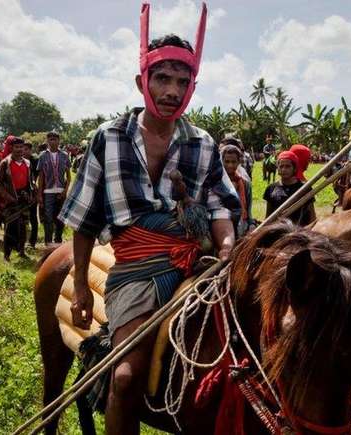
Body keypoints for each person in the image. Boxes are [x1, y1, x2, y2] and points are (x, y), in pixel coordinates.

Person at [60, 6, 239, 432]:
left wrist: (228, 245)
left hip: (201, 265)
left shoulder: (203, 143)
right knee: (125, 378)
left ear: (193, 86)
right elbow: (85, 219)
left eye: (183, 81)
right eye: (163, 79)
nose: (173, 91)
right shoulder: (108, 137)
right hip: (137, 272)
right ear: (143, 82)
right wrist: (83, 285)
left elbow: (219, 205)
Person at [0, 137, 33, 261]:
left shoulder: (27, 163)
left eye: (21, 147)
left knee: (23, 226)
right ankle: (6, 256)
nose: (19, 150)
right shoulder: (5, 163)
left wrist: (30, 194)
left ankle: (22, 251)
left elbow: (29, 182)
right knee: (10, 227)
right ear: (11, 148)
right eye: (16, 147)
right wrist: (9, 197)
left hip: (24, 198)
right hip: (11, 200)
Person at [263, 150, 316, 226]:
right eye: (281, 166)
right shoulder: (271, 189)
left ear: (294, 168)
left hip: (300, 234)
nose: (284, 169)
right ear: (277, 168)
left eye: (288, 166)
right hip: (278, 233)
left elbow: (312, 217)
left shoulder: (304, 189)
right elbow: (268, 217)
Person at [37, 131, 72, 244]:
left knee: (60, 218)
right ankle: (48, 242)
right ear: (47, 141)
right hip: (48, 192)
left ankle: (58, 241)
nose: (53, 141)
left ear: (59, 141)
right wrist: (39, 194)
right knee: (48, 218)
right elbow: (41, 176)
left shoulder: (65, 155)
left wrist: (65, 191)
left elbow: (69, 176)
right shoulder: (43, 156)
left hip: (61, 191)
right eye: (50, 139)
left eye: (55, 139)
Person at [221, 144, 254, 236]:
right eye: (226, 161)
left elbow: (248, 208)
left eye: (233, 162)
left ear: (239, 162)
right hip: (222, 228)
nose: (230, 165)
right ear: (221, 161)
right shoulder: (216, 183)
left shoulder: (245, 183)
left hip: (241, 227)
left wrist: (251, 224)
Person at [25, 142, 40, 248]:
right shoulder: (18, 160)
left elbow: (38, 176)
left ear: (30, 150)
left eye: (26, 149)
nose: (24, 151)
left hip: (33, 191)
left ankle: (32, 241)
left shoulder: (35, 160)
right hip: (21, 191)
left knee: (33, 217)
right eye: (23, 149)